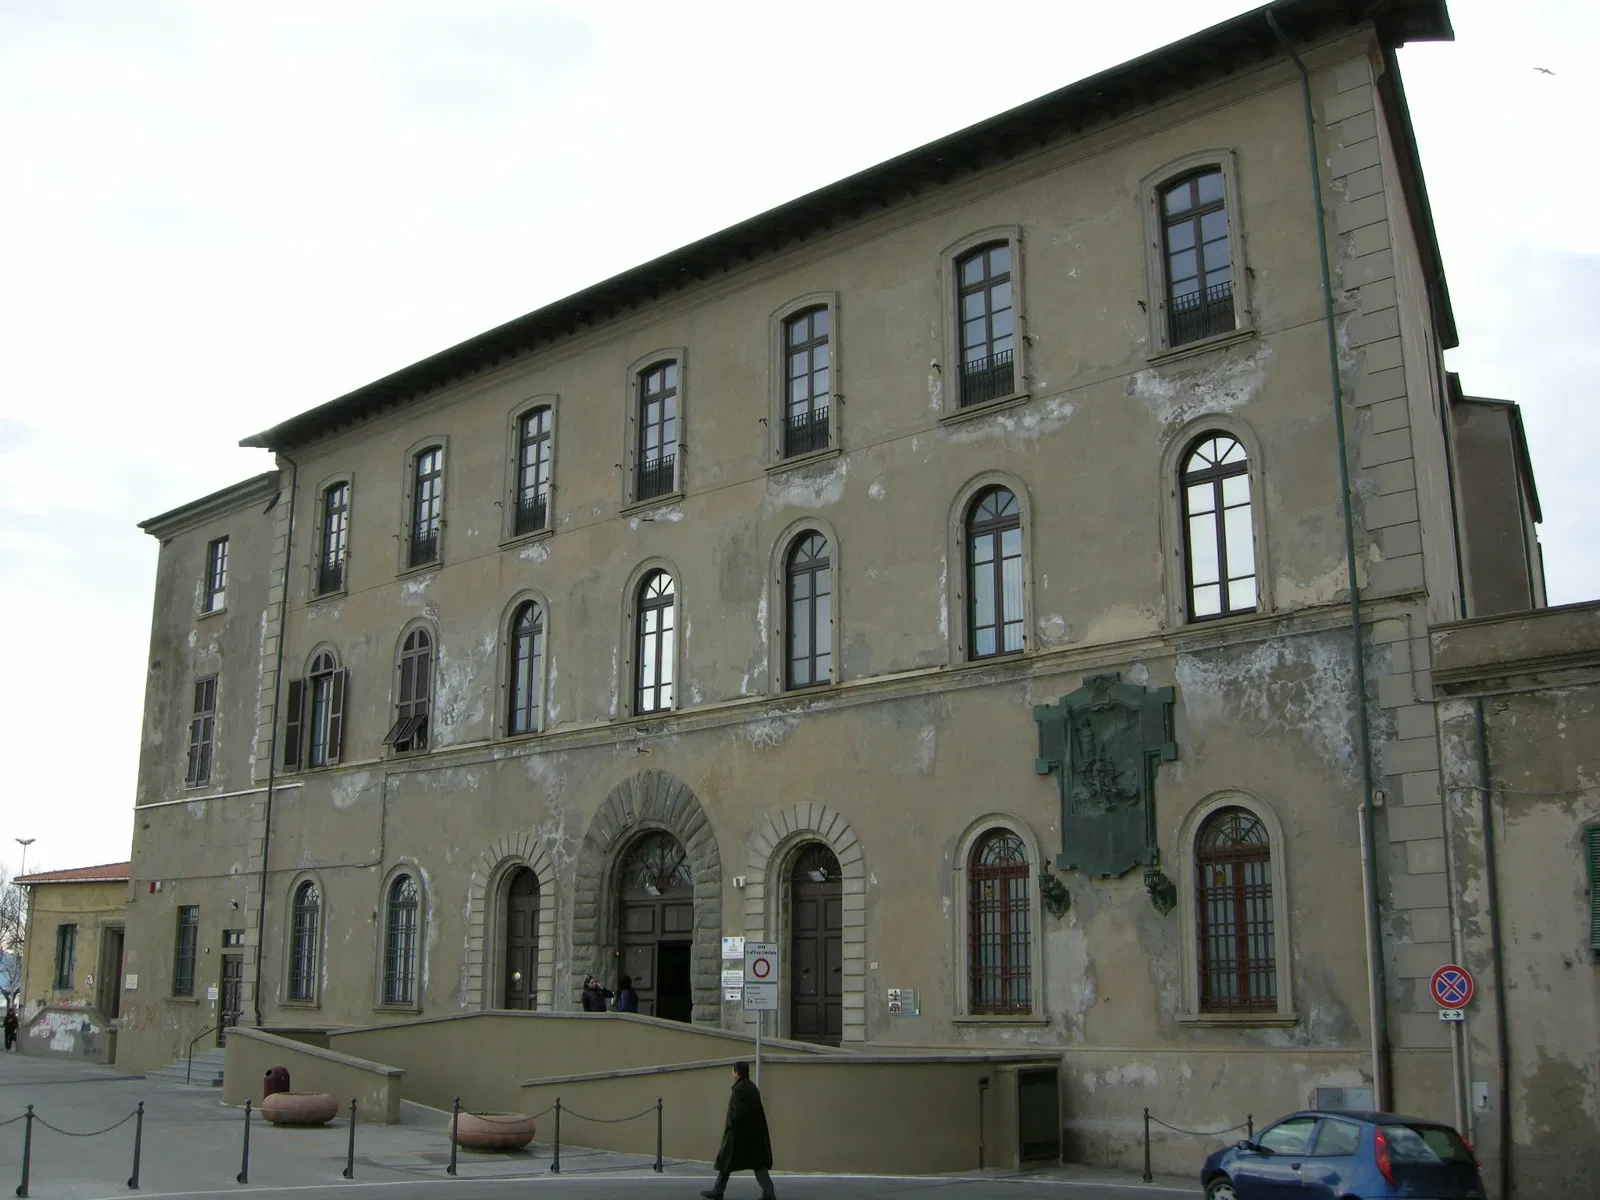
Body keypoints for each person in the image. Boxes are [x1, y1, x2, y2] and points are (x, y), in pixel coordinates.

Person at [702, 1060, 775, 1200]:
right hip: (754, 1135)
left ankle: (718, 1192)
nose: (732, 1074)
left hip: (739, 1136)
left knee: (727, 1161)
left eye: (733, 1071)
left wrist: (730, 1125)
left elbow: (737, 1115)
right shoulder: (752, 1087)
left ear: (737, 1073)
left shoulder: (739, 1089)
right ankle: (769, 1193)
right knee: (757, 1164)